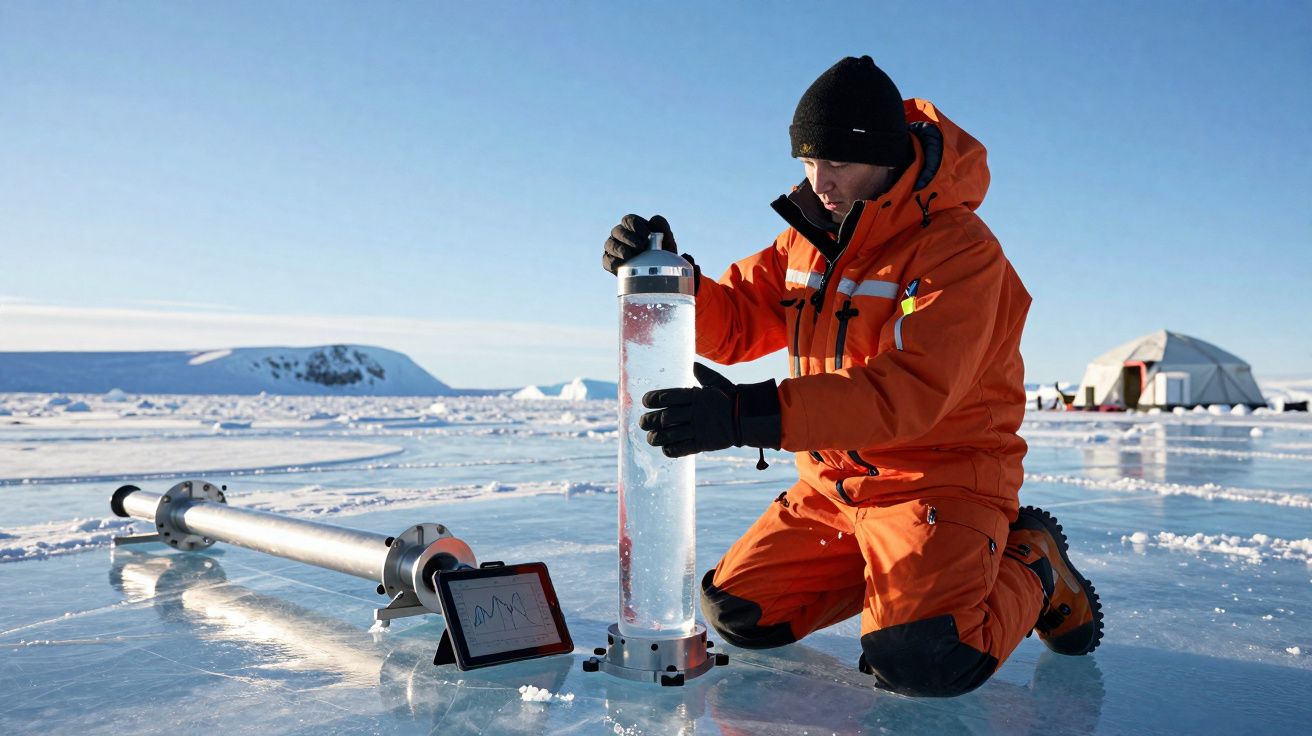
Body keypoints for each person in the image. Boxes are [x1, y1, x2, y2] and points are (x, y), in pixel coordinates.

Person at [602, 56, 1102, 697]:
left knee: (922, 659)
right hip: (833, 489)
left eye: (836, 162)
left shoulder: (960, 251)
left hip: (939, 482)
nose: (820, 182)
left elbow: (911, 391)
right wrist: (674, 278)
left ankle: (1032, 565)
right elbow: (736, 323)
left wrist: (744, 417)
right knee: (738, 613)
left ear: (886, 155)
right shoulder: (809, 240)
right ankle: (902, 577)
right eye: (808, 163)